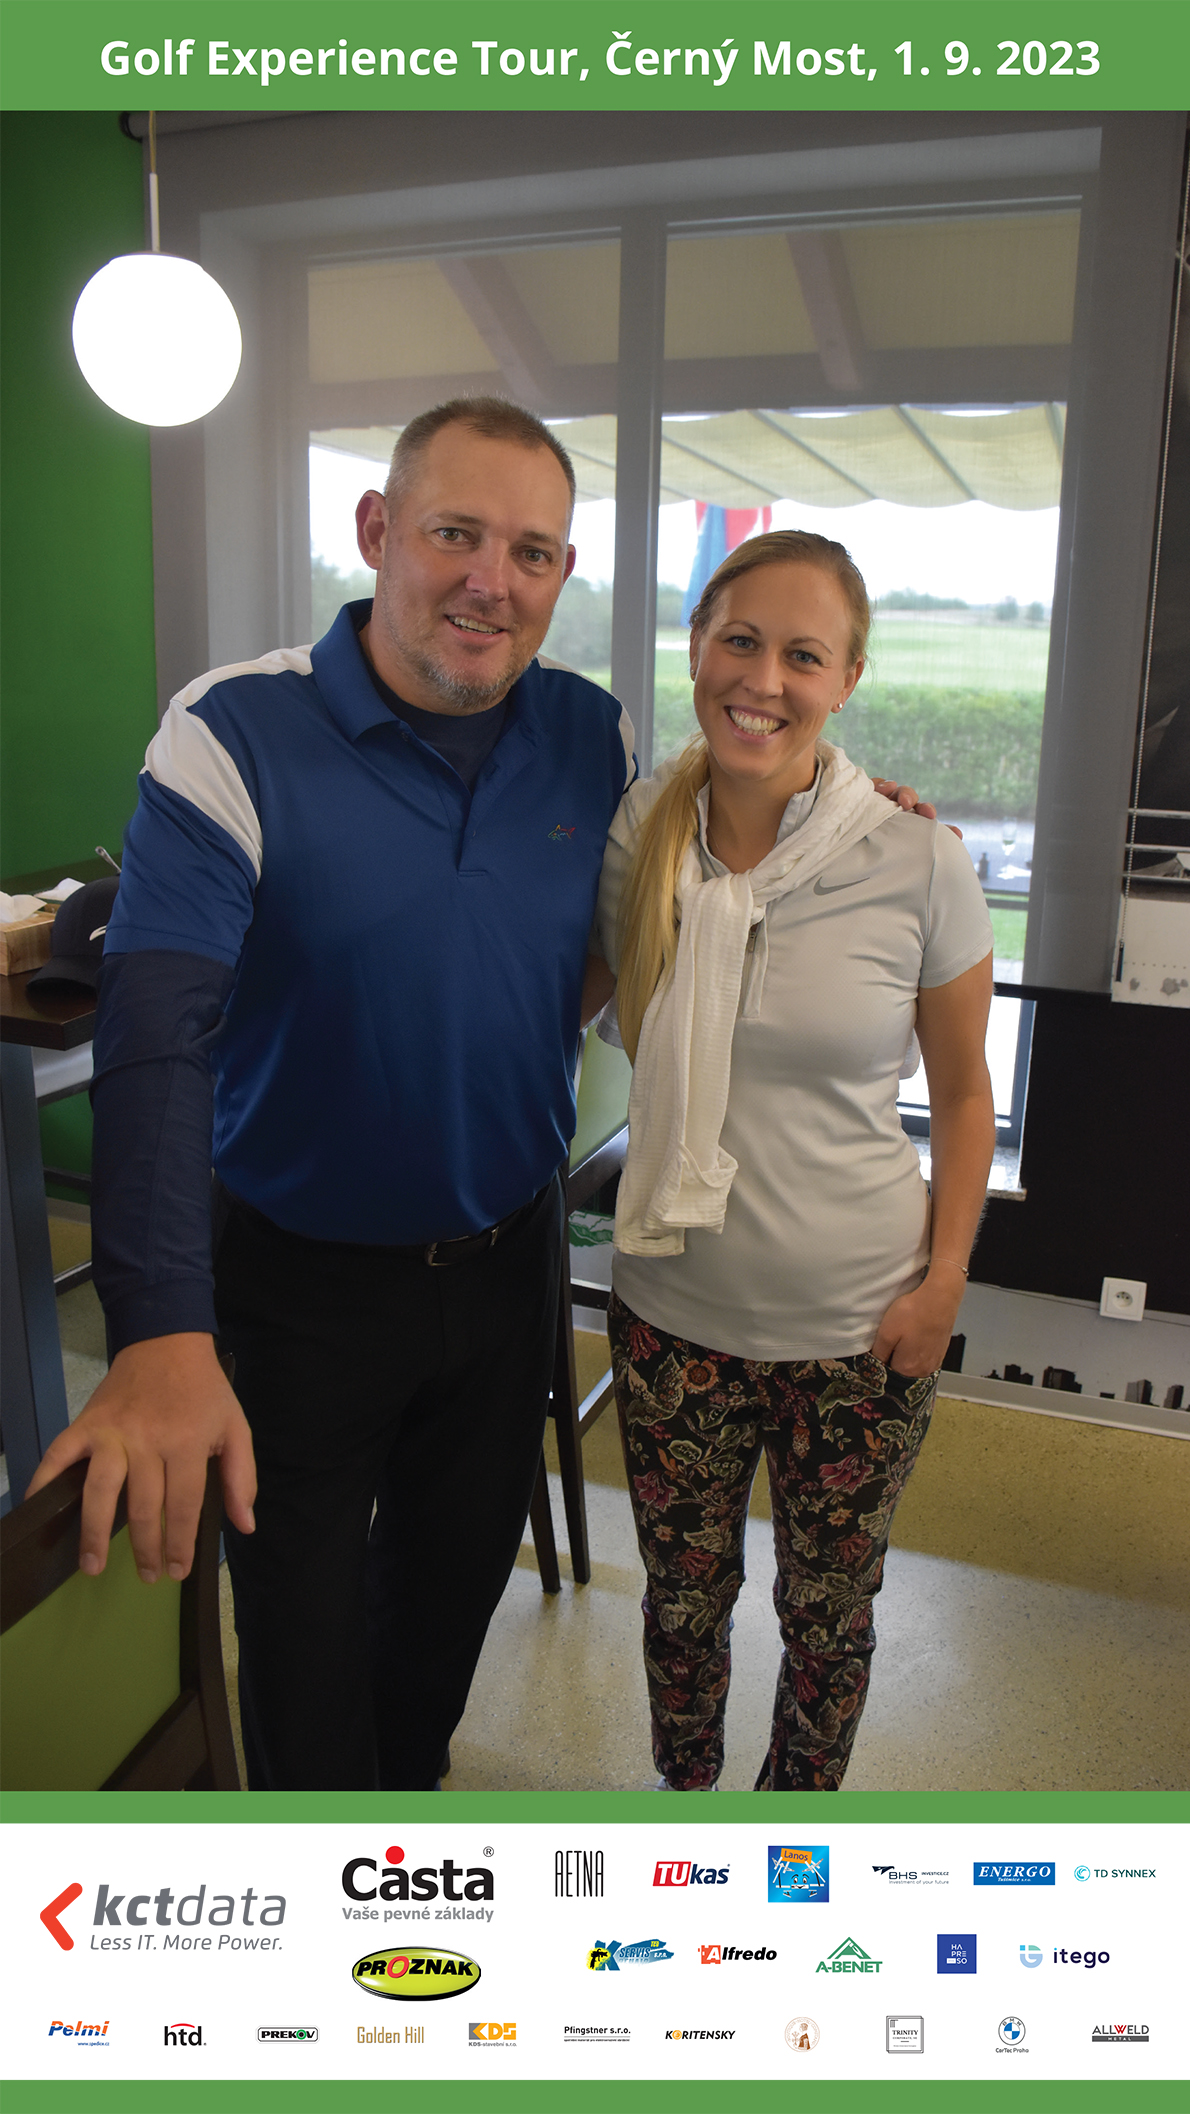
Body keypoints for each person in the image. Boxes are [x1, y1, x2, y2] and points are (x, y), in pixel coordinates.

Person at [27, 402, 936, 1792]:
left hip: (507, 1270)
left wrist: (862, 815)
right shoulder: (231, 731)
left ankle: (403, 1846)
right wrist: (158, 1327)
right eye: (455, 532)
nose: (489, 581)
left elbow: (715, 830)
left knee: (441, 1623)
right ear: (377, 530)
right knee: (302, 1652)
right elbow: (158, 1036)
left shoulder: (588, 734)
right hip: (298, 1284)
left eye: (531, 551)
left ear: (562, 572)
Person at [591, 529, 995, 1791]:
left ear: (848, 678)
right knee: (680, 1602)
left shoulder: (918, 858)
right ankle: (689, 1811)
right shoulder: (637, 837)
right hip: (672, 1315)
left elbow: (966, 1094)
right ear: (697, 649)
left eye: (804, 655)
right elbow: (561, 1000)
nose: (764, 679)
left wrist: (944, 1284)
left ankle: (791, 1849)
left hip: (858, 1330)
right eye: (741, 640)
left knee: (828, 1618)